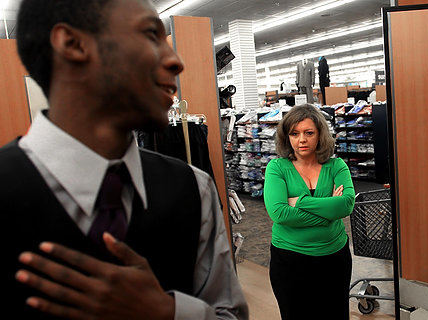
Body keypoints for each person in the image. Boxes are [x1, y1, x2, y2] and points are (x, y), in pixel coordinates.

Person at [0, 0, 248, 319]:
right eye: (149, 34)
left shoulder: (192, 189)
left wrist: (167, 312)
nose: (175, 61)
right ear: (73, 44)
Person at [263, 104, 355, 320]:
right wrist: (327, 209)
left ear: (320, 135)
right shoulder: (277, 167)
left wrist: (300, 201)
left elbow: (346, 205)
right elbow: (279, 213)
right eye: (294, 133)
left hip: (334, 259)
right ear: (287, 137)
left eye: (309, 133)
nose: (301, 140)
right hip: (290, 260)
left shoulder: (337, 165)